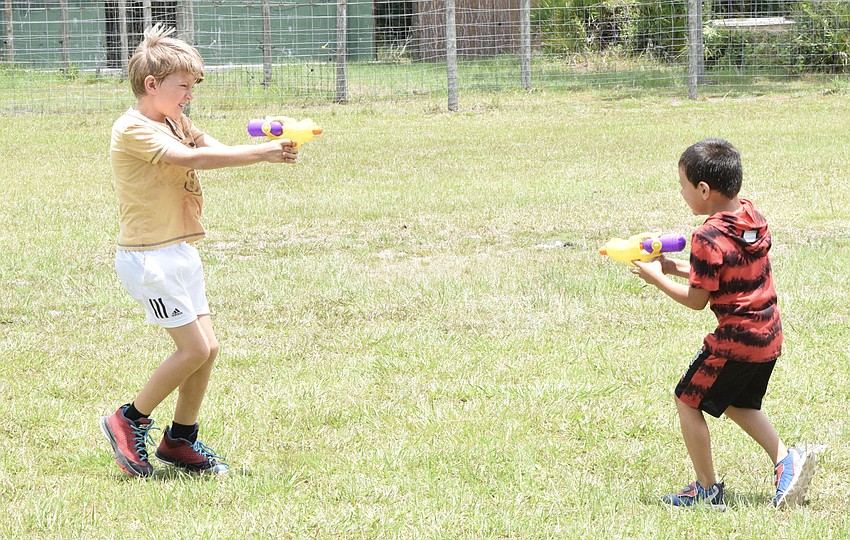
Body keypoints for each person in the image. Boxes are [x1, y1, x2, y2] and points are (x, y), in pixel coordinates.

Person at [100, 23, 299, 477]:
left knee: (208, 349)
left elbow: (205, 145)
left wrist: (263, 148)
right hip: (148, 257)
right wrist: (259, 154)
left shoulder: (174, 120)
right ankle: (128, 419)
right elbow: (187, 158)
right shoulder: (133, 128)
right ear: (152, 85)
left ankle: (179, 441)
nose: (189, 94)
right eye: (183, 86)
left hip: (180, 250)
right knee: (191, 350)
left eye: (192, 86)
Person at [632, 138, 816, 510]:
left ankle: (706, 490)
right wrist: (675, 265)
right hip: (768, 334)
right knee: (734, 402)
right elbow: (725, 271)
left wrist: (656, 279)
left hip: (736, 340)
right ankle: (786, 460)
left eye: (683, 185)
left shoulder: (706, 235)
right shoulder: (750, 216)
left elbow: (697, 300)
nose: (681, 192)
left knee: (687, 400)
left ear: (703, 189)